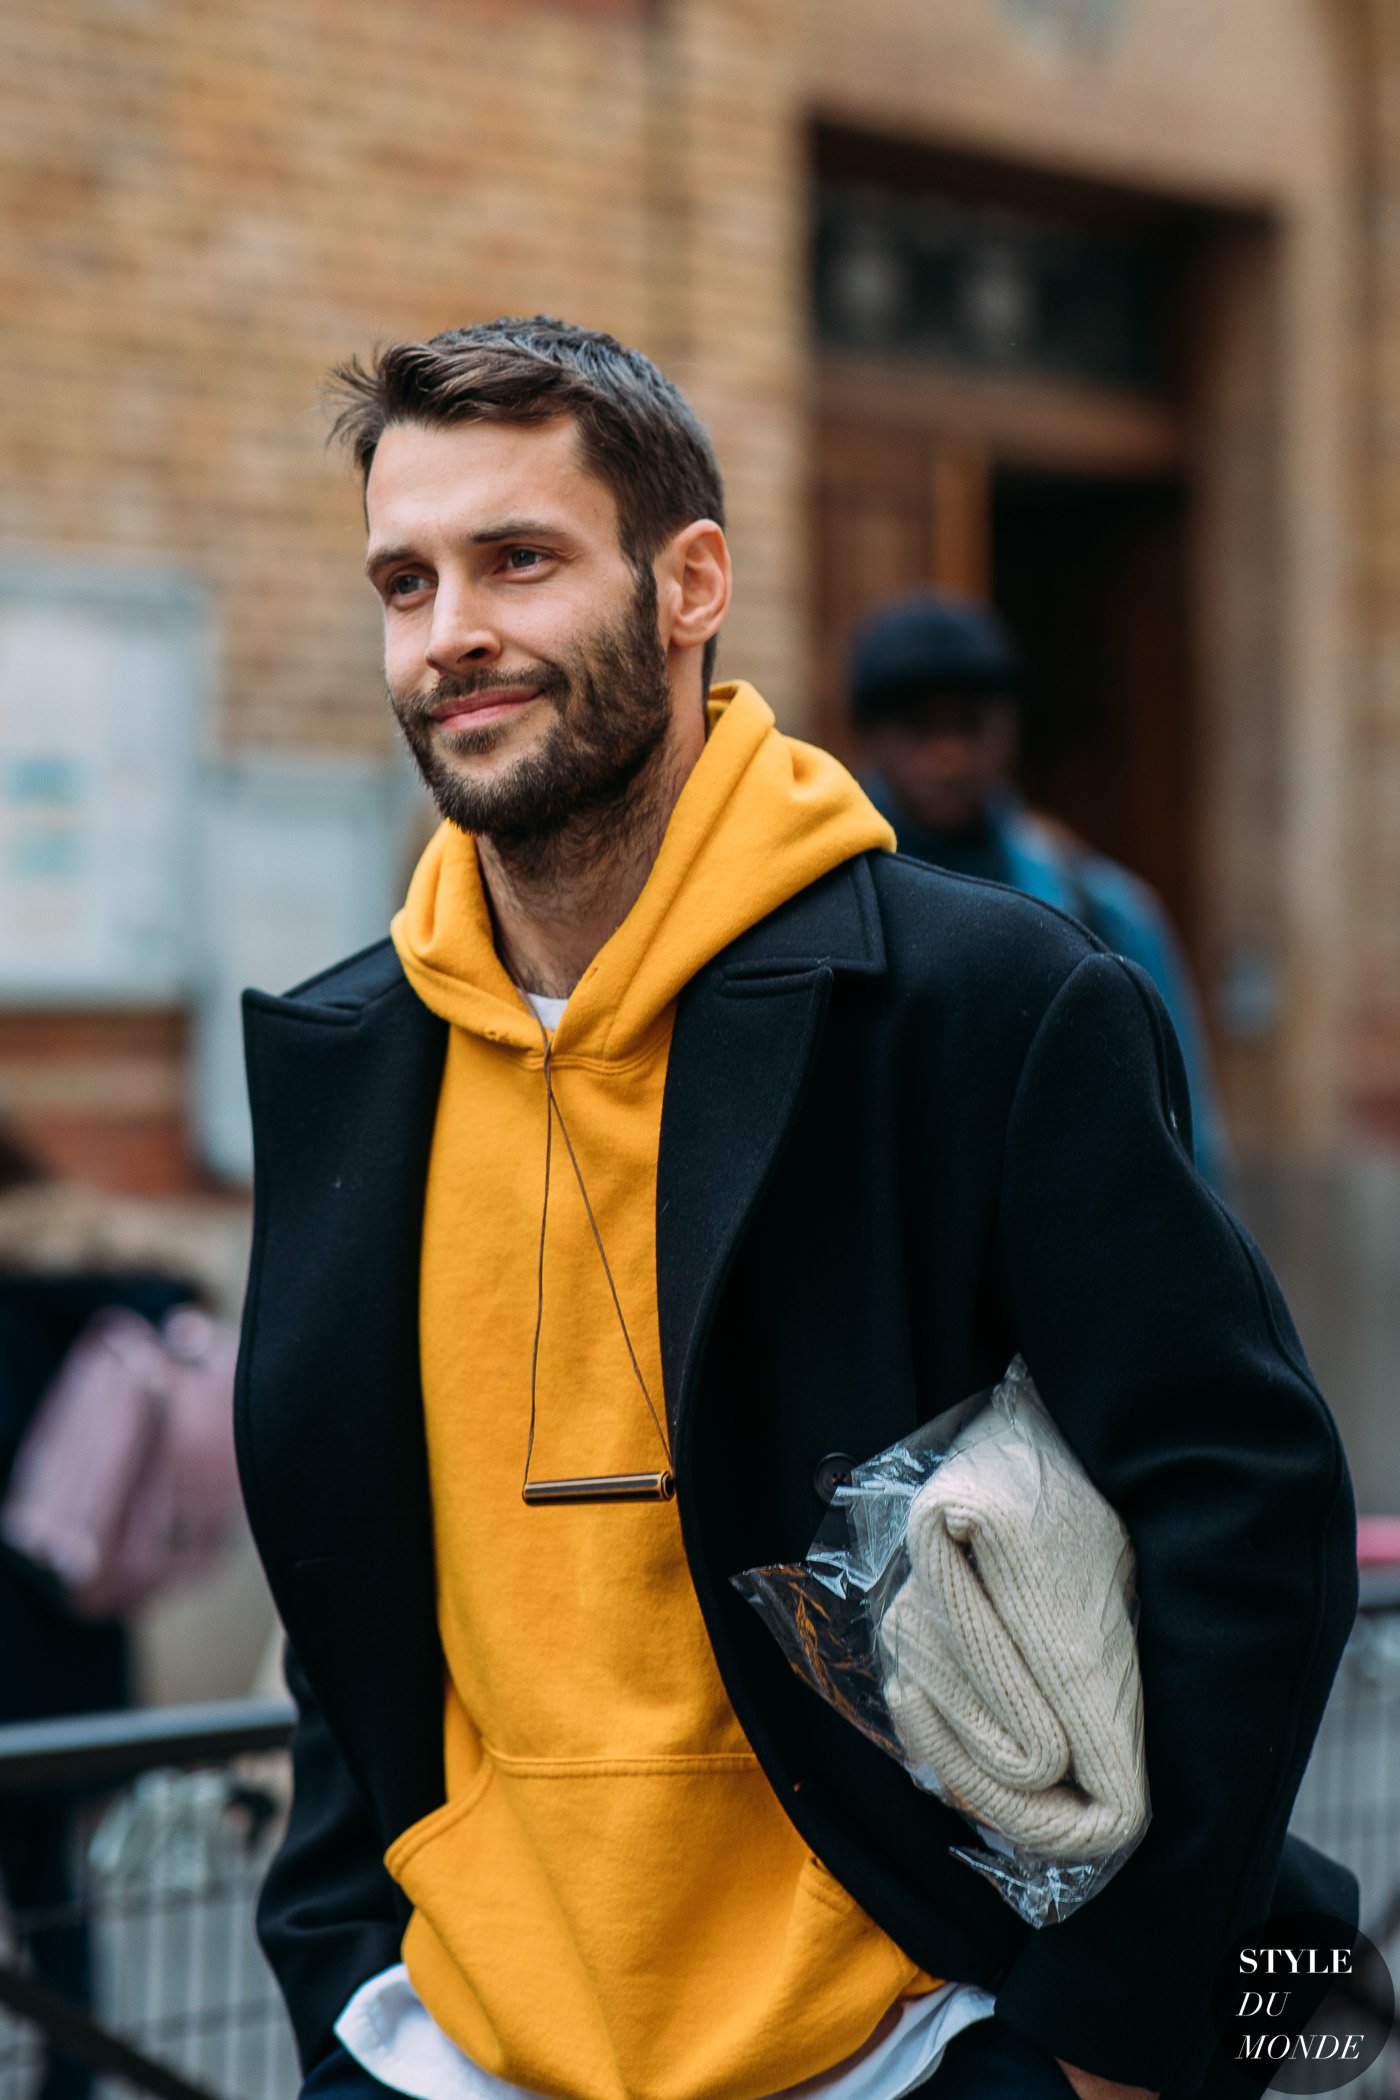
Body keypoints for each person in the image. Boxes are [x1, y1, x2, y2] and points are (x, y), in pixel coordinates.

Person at [234, 317, 1357, 2100]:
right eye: (404, 578)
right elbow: (349, 1597)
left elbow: (1252, 1502)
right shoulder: (345, 1059)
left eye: (519, 559)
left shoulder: (991, 997)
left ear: (691, 585)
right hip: (457, 2052)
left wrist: (1114, 2044)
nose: (451, 631)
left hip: (908, 2047)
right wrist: (339, 1993)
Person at [849, 593, 1230, 1190]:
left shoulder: (1100, 909)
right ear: (872, 737)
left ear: (1007, 732)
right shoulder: (824, 902)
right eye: (920, 728)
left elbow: (1188, 1139)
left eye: (967, 725)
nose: (947, 755)